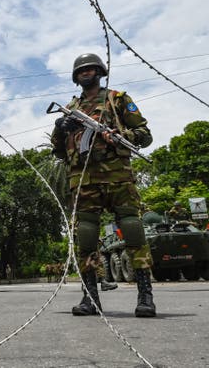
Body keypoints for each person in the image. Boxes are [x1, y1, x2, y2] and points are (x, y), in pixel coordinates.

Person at [51, 53, 156, 317]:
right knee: (85, 237)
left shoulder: (117, 99)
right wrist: (62, 127)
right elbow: (60, 152)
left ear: (100, 71)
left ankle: (145, 296)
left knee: (133, 230)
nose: (86, 73)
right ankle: (90, 298)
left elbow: (144, 135)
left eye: (90, 69)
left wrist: (120, 136)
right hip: (84, 181)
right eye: (81, 70)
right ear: (76, 78)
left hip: (118, 176)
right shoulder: (71, 107)